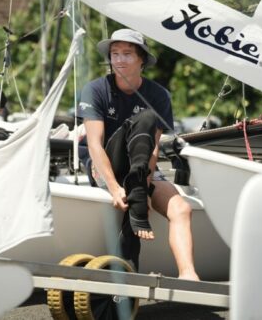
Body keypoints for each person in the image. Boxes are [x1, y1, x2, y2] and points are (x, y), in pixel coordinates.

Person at [78, 28, 199, 280]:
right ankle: (136, 204)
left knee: (181, 208)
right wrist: (114, 188)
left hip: (142, 168)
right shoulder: (95, 89)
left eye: (127, 54)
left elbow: (153, 147)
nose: (119, 59)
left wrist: (142, 187)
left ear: (141, 59)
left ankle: (188, 274)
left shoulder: (158, 95)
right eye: (115, 53)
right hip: (106, 164)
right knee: (145, 118)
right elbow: (94, 145)